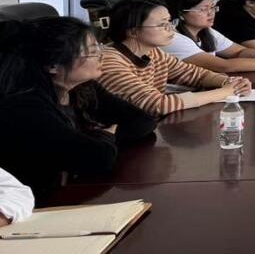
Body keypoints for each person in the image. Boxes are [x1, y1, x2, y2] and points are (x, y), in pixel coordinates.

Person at [0, 17, 157, 200]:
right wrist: (103, 137)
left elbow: (143, 121)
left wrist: (99, 141)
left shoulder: (83, 87)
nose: (101, 55)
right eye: (92, 51)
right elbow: (98, 158)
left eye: (98, 47)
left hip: (72, 190)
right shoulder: (24, 107)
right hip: (33, 205)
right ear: (53, 65)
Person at [97, 0, 252, 117]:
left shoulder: (153, 52)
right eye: (162, 24)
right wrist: (226, 92)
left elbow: (194, 74)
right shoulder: (109, 61)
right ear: (133, 31)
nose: (171, 29)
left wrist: (228, 82)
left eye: (170, 22)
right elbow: (158, 105)